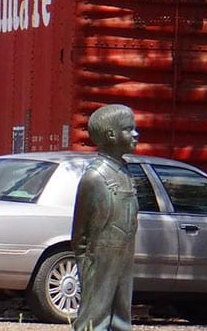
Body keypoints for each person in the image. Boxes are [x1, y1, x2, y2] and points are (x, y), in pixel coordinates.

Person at [71, 104, 139, 331]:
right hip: (99, 257)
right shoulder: (95, 177)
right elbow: (79, 233)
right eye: (128, 129)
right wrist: (86, 262)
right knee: (95, 315)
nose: (135, 134)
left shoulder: (125, 172)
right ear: (111, 135)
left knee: (121, 314)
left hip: (124, 253)